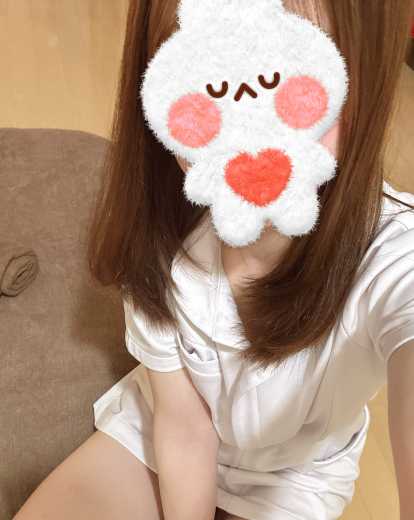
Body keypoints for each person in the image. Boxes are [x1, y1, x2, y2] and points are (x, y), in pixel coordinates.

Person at [13, 1, 414, 519]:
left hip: (297, 475)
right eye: (211, 78)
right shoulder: (162, 231)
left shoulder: (391, 255)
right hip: (160, 428)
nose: (250, 126)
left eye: (284, 69)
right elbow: (183, 426)